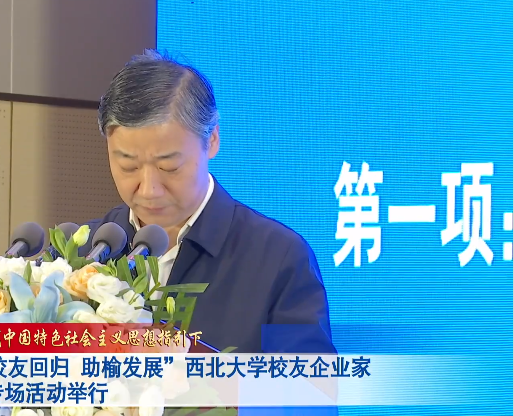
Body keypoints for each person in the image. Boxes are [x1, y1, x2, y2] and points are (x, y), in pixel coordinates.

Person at [78, 50, 336, 356]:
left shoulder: (279, 258)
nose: (149, 189)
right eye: (128, 166)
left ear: (212, 140)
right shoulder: (84, 255)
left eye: (168, 166)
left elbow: (310, 384)